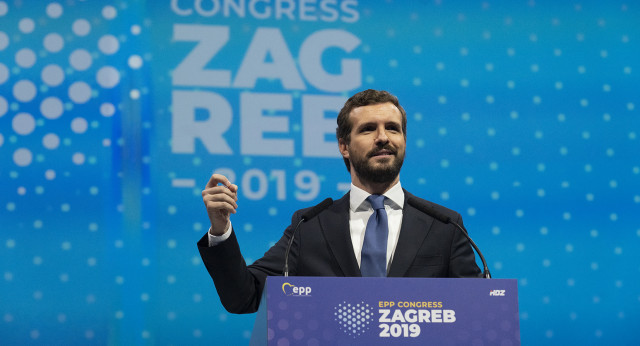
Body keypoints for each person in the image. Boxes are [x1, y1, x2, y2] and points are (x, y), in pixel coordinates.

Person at [197, 89, 481, 314]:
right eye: (368, 129)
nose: (383, 138)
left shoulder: (444, 225)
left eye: (393, 128)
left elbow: (477, 311)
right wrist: (220, 230)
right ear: (343, 146)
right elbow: (243, 297)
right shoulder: (309, 226)